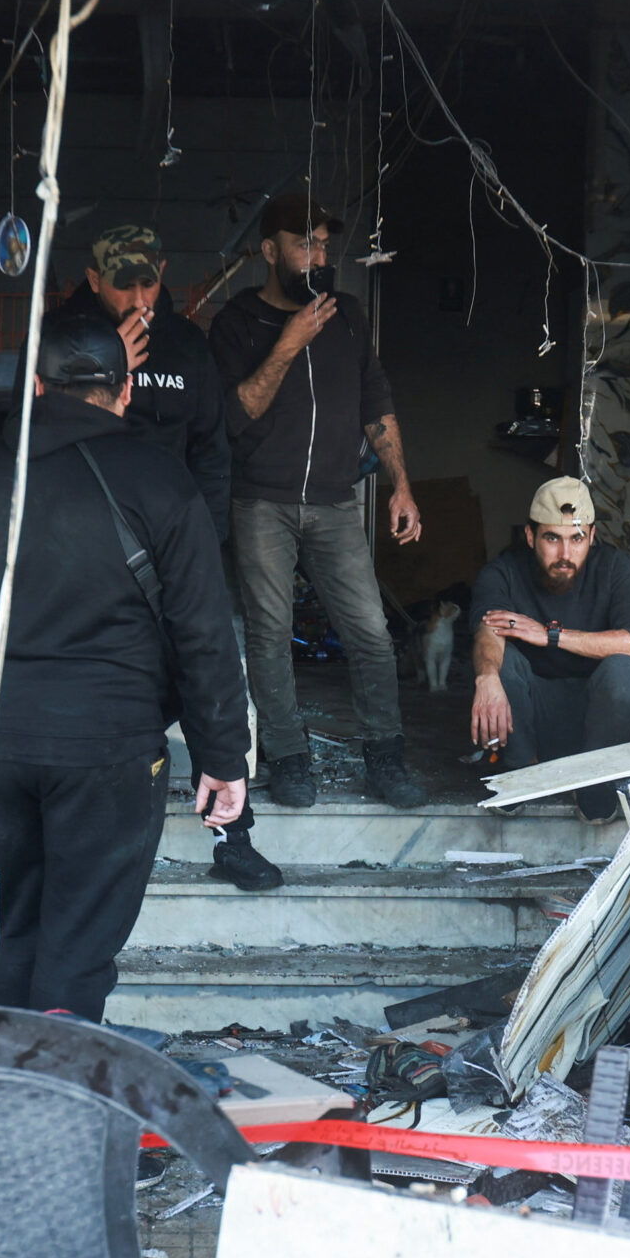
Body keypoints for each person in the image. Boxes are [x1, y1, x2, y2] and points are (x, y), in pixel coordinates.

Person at [0, 310, 249, 1022]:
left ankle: (14, 1086)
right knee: (79, 943)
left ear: (34, 386)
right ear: (125, 391)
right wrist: (224, 757)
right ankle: (57, 1112)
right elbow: (205, 633)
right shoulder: (162, 481)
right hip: (108, 743)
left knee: (23, 911)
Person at [47, 223, 282, 892]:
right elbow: (31, 431)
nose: (140, 295)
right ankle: (90, 836)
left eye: (149, 280)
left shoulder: (187, 344)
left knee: (213, 670)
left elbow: (211, 447)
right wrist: (104, 359)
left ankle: (232, 834)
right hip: (89, 548)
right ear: (94, 281)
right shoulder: (67, 341)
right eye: (124, 282)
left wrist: (203, 541)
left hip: (174, 544)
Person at [208, 191, 427, 811]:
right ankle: (288, 759)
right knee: (271, 638)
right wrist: (289, 341)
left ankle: (385, 758)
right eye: (305, 243)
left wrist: (401, 484)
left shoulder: (350, 316)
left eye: (326, 244)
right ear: (269, 250)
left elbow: (376, 405)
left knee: (372, 634)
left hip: (336, 503)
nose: (319, 254)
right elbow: (237, 414)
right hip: (261, 503)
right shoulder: (237, 322)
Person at [469, 477, 630, 822]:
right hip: (530, 718)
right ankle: (520, 772)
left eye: (577, 539)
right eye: (552, 539)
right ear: (530, 537)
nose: (565, 554)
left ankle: (594, 780)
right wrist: (486, 678)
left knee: (625, 671)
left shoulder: (612, 568)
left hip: (598, 725)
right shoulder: (505, 571)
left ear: (593, 537)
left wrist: (551, 636)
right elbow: (488, 629)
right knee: (498, 661)